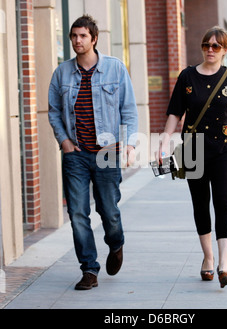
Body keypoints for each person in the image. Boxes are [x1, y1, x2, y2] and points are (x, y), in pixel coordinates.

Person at [48, 15, 138, 290]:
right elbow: (53, 111)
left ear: (94, 38)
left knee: (108, 210)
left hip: (106, 152)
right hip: (75, 153)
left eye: (83, 36)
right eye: (74, 36)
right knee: (77, 213)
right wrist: (63, 140)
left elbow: (129, 110)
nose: (77, 41)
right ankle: (89, 269)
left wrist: (130, 144)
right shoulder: (62, 73)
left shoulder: (115, 69)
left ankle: (116, 243)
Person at [159, 26, 227, 288]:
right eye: (206, 45)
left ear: (225, 50)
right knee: (200, 204)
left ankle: (224, 263)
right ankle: (208, 258)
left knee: (222, 203)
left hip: (224, 151)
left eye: (216, 46)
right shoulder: (187, 77)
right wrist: (165, 140)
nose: (210, 50)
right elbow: (175, 113)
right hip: (193, 150)